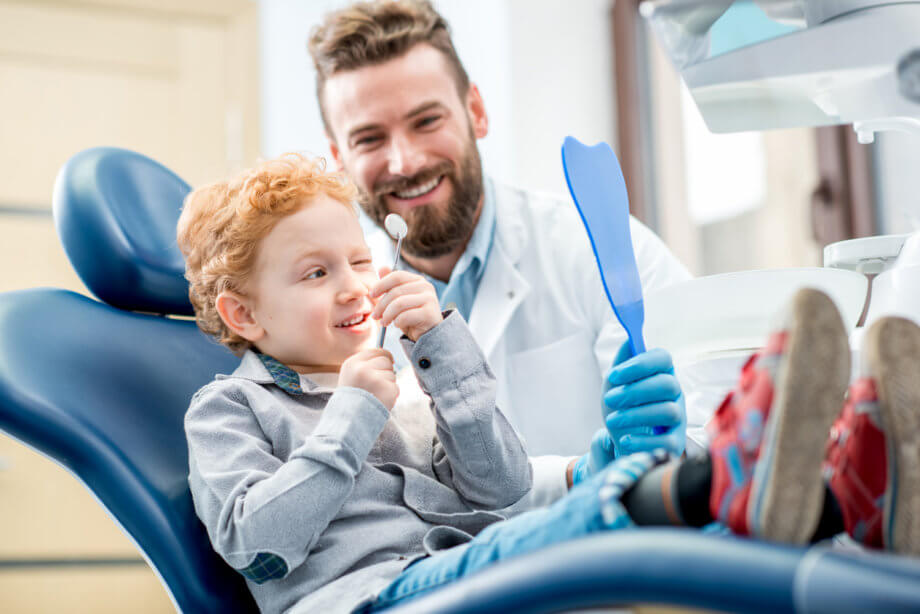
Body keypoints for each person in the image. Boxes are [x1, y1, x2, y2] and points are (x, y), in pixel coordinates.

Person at [176, 153, 672, 613]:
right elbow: (257, 548)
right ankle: (676, 494)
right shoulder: (228, 409)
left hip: (456, 579)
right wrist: (350, 418)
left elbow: (502, 488)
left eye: (359, 261)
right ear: (243, 314)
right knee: (562, 540)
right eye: (316, 273)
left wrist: (443, 351)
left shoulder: (405, 388)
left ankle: (683, 497)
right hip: (371, 598)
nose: (353, 286)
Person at [306, 1, 693, 494]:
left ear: (476, 112)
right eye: (368, 139)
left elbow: (707, 432)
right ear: (339, 156)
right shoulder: (340, 324)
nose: (404, 162)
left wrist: (666, 448)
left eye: (426, 121)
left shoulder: (589, 249)